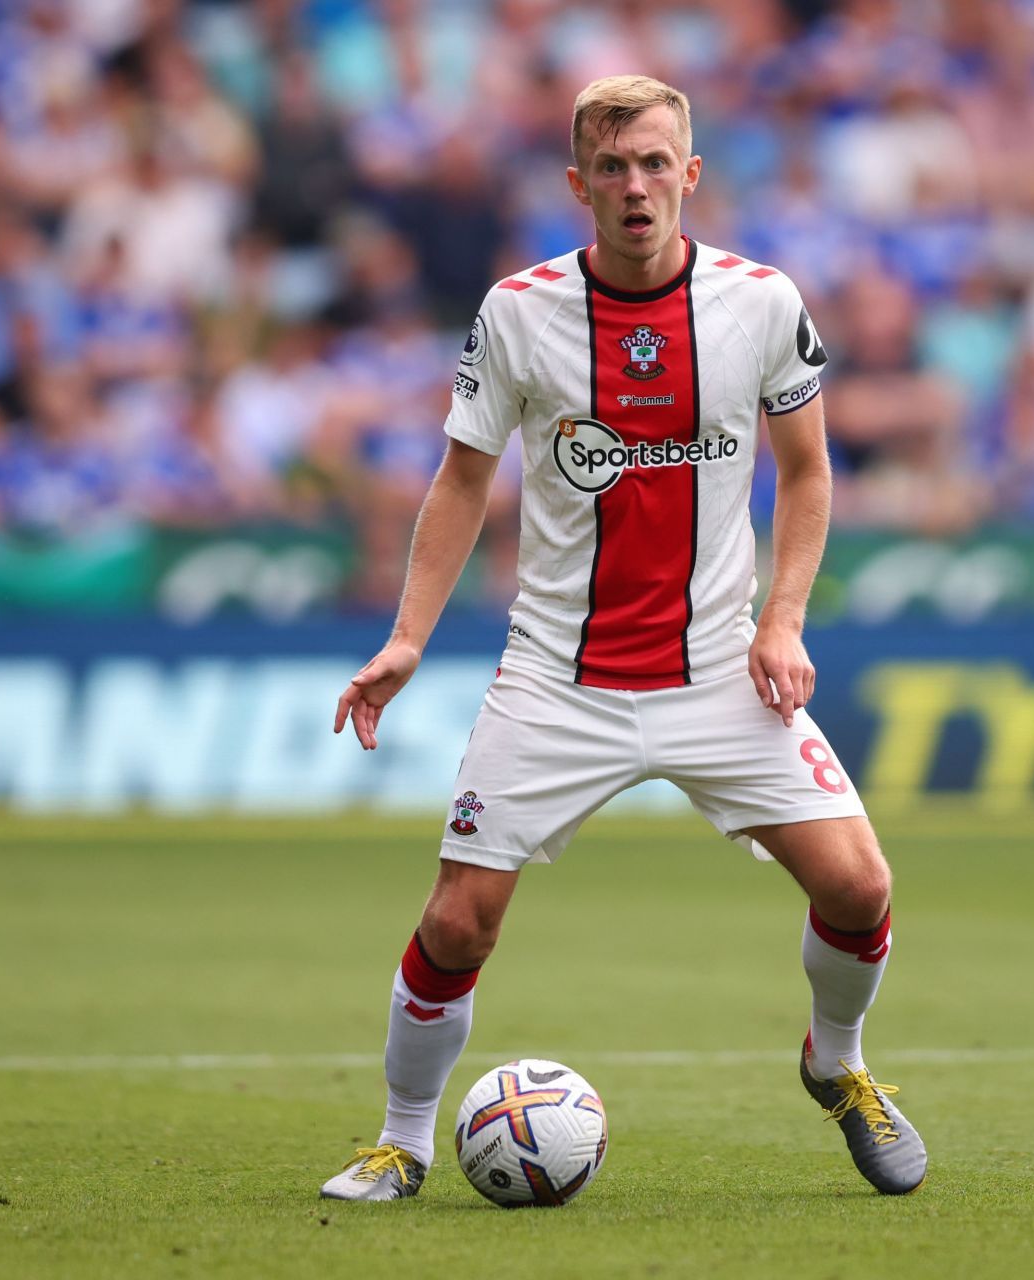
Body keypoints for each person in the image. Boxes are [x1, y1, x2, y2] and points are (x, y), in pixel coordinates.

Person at [323, 75, 925, 1201]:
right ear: (578, 185)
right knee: (459, 917)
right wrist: (408, 635)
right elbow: (461, 480)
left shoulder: (758, 303)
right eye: (613, 167)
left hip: (720, 672)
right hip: (559, 676)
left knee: (858, 884)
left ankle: (836, 1064)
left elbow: (806, 473)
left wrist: (783, 618)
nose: (636, 186)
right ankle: (402, 1140)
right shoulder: (518, 312)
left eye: (655, 164)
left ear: (689, 176)